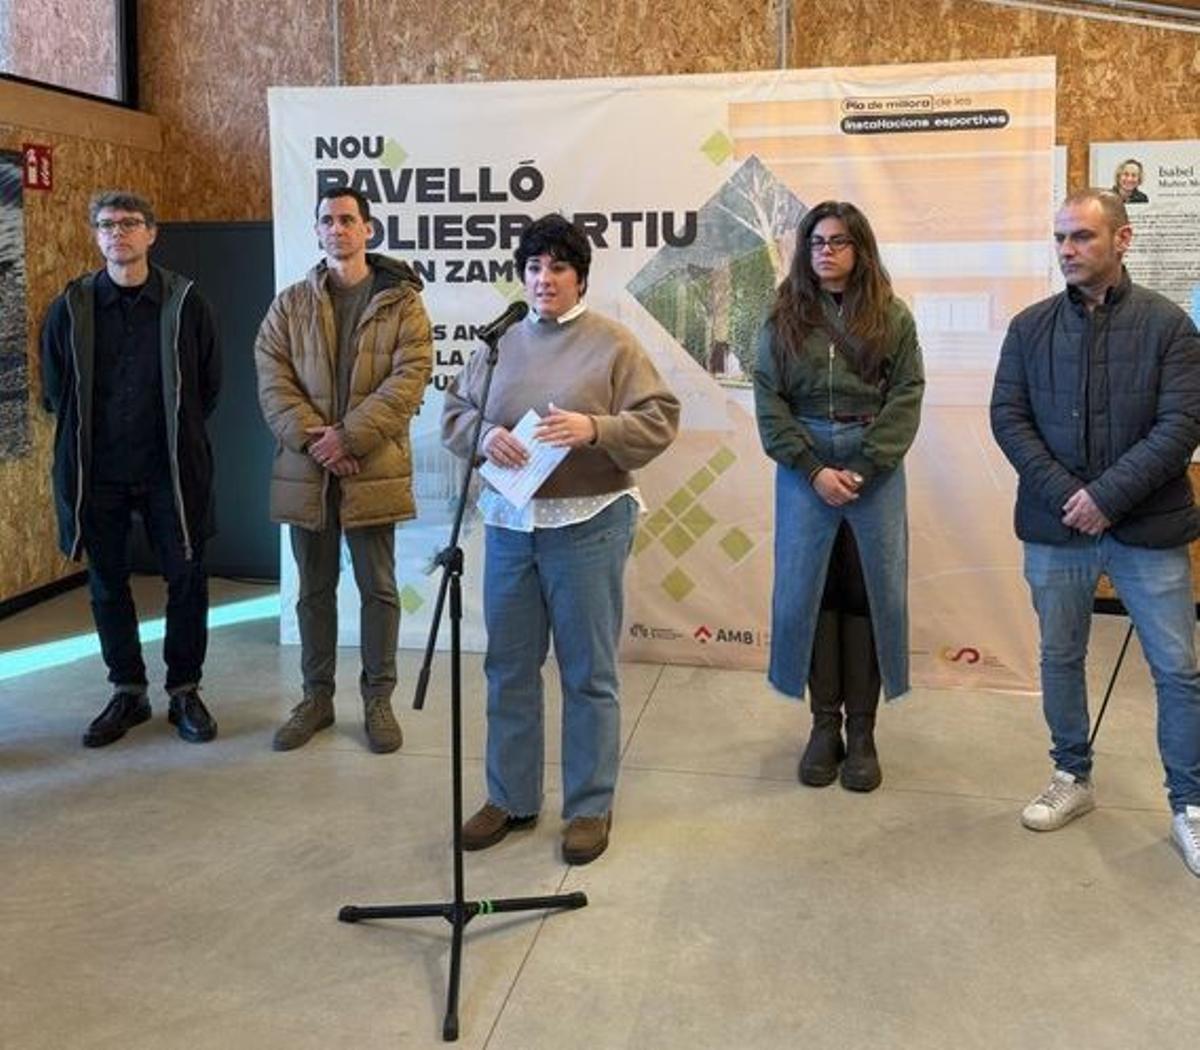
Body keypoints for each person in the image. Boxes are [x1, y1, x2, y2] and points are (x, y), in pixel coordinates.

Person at [441, 214, 679, 864]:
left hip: (590, 523)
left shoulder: (613, 344)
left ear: (581, 279)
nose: (544, 279)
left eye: (558, 268)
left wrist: (596, 429)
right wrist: (483, 436)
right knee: (509, 667)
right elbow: (456, 414)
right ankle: (510, 797)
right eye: (534, 268)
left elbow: (660, 419)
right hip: (512, 524)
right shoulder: (499, 343)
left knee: (587, 673)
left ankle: (589, 807)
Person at [990, 188, 1200, 878]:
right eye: (1060, 239)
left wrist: (1105, 498)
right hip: (1057, 529)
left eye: (1081, 237)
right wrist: (1069, 498)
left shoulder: (1170, 327)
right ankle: (1070, 776)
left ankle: (1190, 806)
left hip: (1148, 528)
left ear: (1122, 239)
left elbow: (1181, 426)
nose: (1068, 251)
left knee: (1177, 669)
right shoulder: (1029, 328)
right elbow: (1009, 419)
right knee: (1060, 657)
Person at [753, 201, 925, 793]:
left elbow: (906, 394)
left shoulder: (892, 318)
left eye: (839, 241)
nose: (826, 251)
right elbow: (769, 401)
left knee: (867, 594)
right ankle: (823, 728)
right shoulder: (781, 317)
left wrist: (863, 465)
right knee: (813, 594)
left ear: (860, 249)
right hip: (805, 469)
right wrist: (812, 468)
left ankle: (865, 732)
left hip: (873, 466)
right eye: (817, 242)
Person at [255, 186, 433, 754]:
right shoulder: (290, 304)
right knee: (313, 591)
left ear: (368, 230)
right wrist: (320, 443)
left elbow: (409, 377)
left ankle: (378, 699)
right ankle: (317, 698)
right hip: (308, 473)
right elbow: (272, 375)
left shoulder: (402, 302)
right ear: (317, 231)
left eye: (348, 220)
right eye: (327, 220)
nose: (337, 228)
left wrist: (349, 437)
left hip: (371, 467)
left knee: (378, 589)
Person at [40, 190, 221, 748]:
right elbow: (54, 394)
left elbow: (207, 387)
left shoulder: (186, 302)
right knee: (105, 584)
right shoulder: (70, 308)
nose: (118, 233)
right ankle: (128, 691)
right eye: (107, 225)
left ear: (151, 233)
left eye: (130, 223)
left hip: (170, 470)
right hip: (100, 475)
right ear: (96, 236)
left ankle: (184, 690)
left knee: (186, 580)